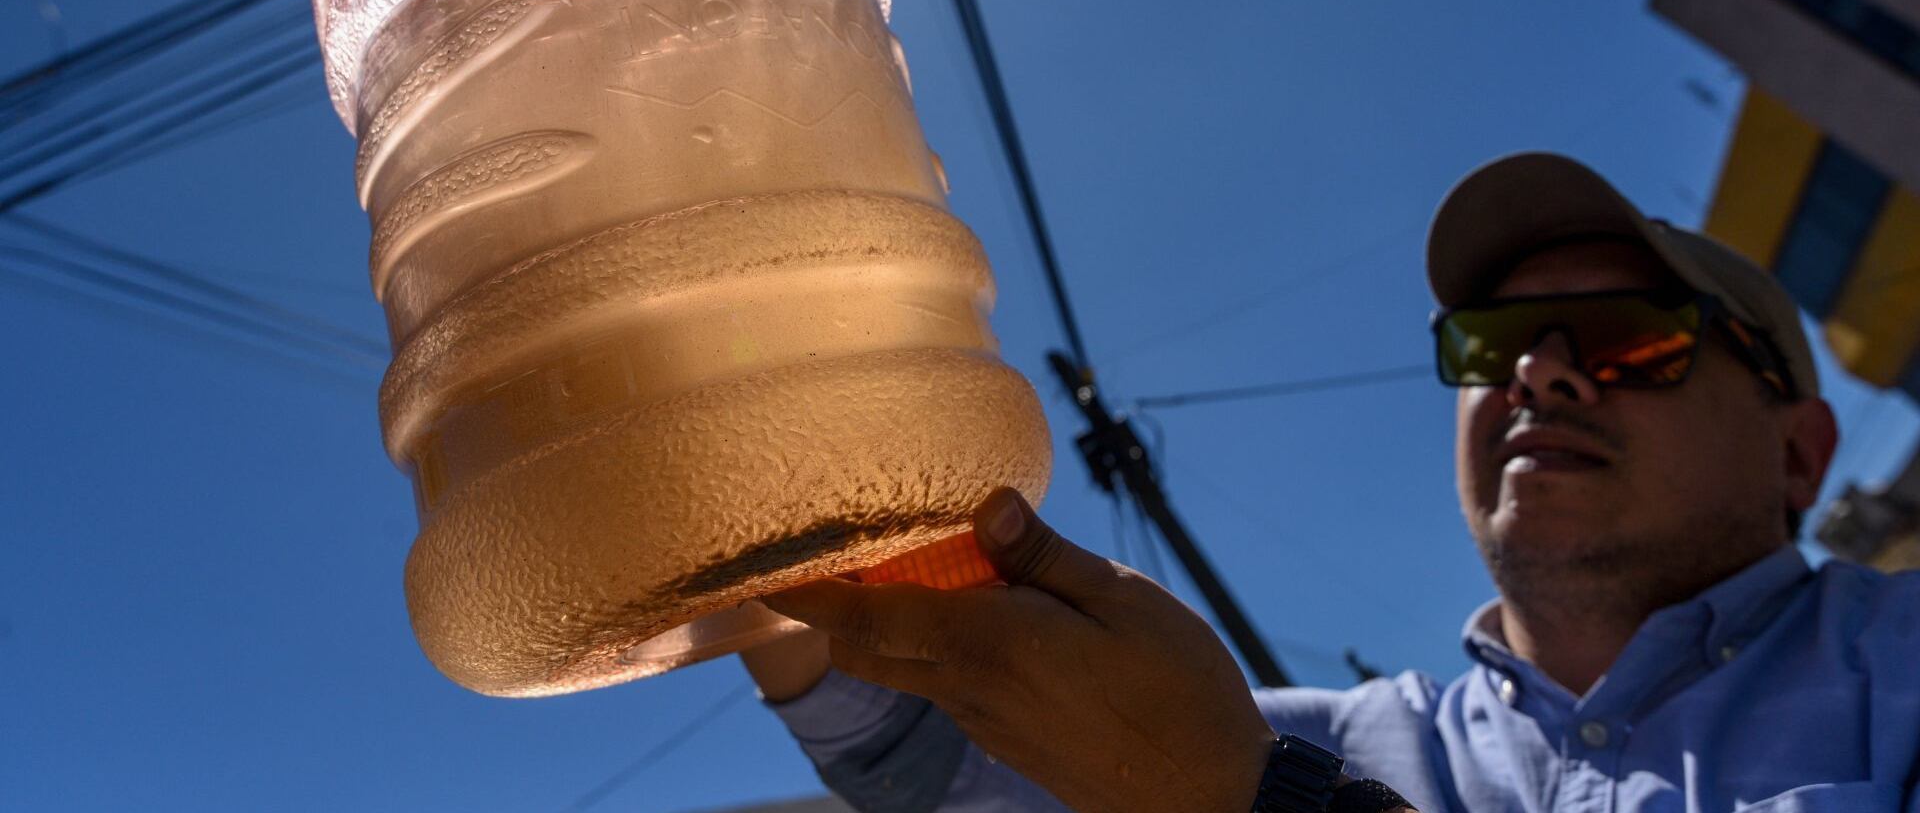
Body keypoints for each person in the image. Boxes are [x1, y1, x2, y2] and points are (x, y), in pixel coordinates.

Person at [738, 152, 1920, 812]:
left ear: (1800, 451)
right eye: (1491, 347)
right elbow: (946, 776)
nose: (1542, 374)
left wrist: (1255, 808)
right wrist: (745, 533)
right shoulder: (1337, 739)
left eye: (1626, 338)